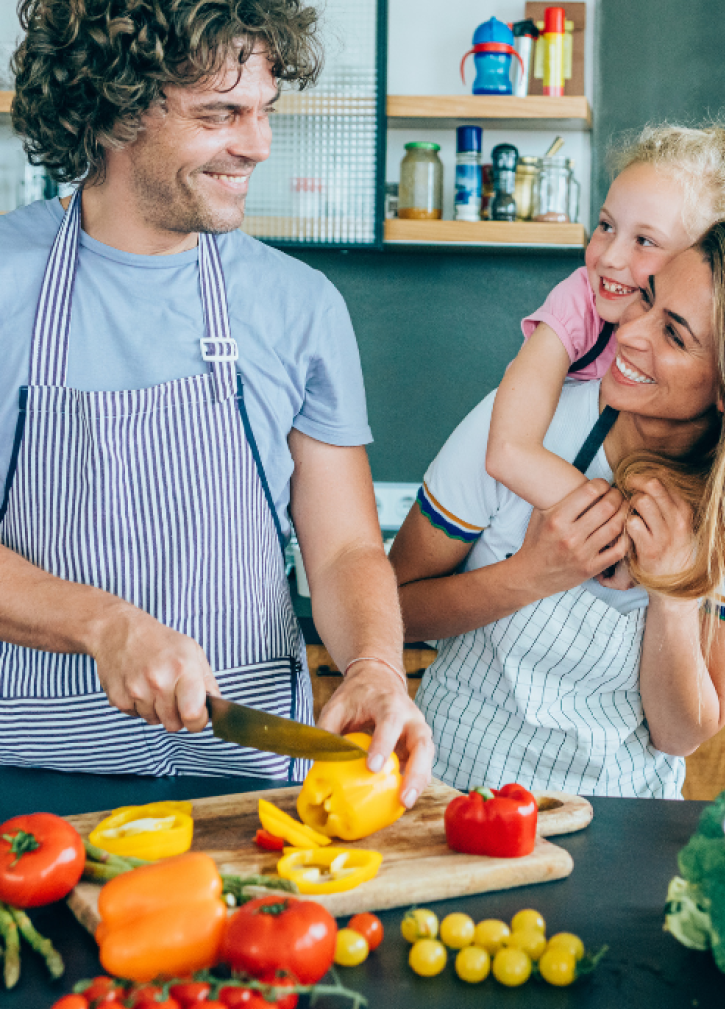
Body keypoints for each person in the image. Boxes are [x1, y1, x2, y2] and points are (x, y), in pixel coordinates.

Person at [0, 0, 431, 800]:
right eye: (220, 114)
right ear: (111, 106)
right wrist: (107, 627)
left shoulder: (299, 306)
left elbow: (343, 550)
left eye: (264, 111)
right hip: (31, 775)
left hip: (246, 782)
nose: (257, 145)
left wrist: (373, 667)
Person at [390, 221, 725, 798]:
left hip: (622, 820)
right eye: (646, 300)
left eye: (674, 336)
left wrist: (673, 597)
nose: (628, 335)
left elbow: (679, 735)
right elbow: (392, 610)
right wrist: (530, 576)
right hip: (449, 794)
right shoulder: (526, 423)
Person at [485, 122, 725, 528]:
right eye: (606, 226)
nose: (609, 258)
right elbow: (510, 450)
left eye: (645, 241)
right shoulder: (579, 300)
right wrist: (624, 539)